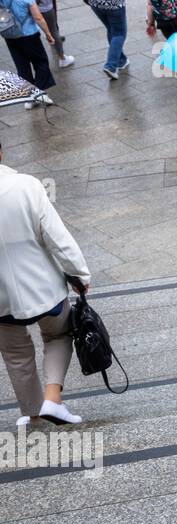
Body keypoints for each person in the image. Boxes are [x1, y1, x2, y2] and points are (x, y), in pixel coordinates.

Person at [0, 140, 93, 428]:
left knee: (15, 354)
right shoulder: (26, 185)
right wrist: (79, 273)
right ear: (1, 151)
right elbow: (56, 236)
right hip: (44, 288)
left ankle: (34, 413)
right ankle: (53, 398)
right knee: (58, 336)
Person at [1, 0, 57, 107]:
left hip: (10, 35)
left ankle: (29, 98)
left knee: (22, 66)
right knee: (41, 62)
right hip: (29, 35)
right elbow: (38, 17)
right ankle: (39, 94)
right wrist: (48, 34)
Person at [65, 0, 129, 80]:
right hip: (113, 3)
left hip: (95, 0)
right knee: (119, 33)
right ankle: (111, 65)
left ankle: (121, 60)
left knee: (111, 29)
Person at [24, 0, 74, 72]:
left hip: (26, 4)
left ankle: (34, 62)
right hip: (43, 5)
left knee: (30, 32)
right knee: (53, 30)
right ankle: (62, 59)